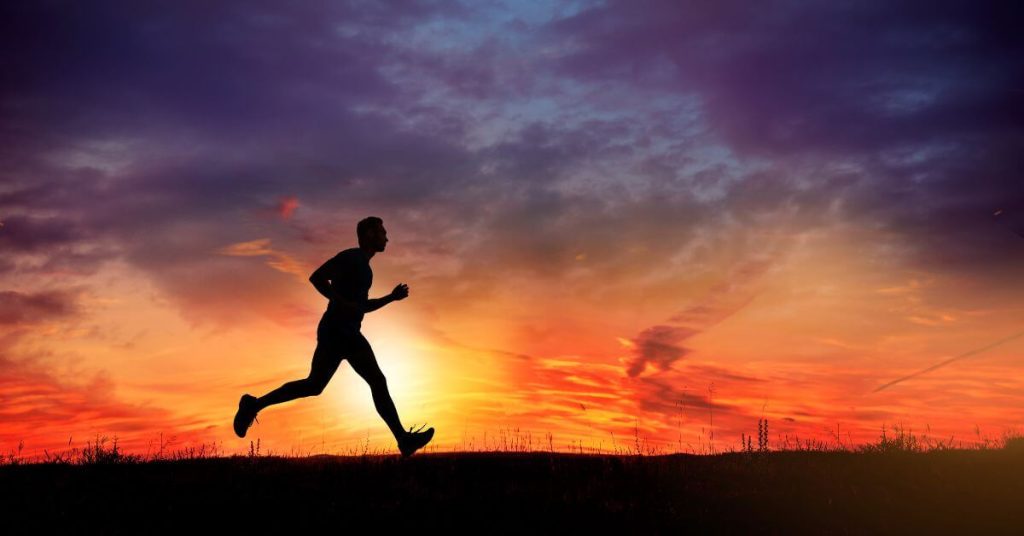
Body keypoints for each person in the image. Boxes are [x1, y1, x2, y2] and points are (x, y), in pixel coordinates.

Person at [232, 216, 434, 457]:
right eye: (382, 232)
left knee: (329, 384)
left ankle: (254, 404)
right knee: (341, 384)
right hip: (336, 331)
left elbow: (361, 307)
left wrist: (390, 298)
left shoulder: (365, 268)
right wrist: (340, 301)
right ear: (369, 234)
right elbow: (317, 277)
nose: (387, 237)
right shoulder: (351, 258)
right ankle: (403, 440)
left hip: (348, 332)